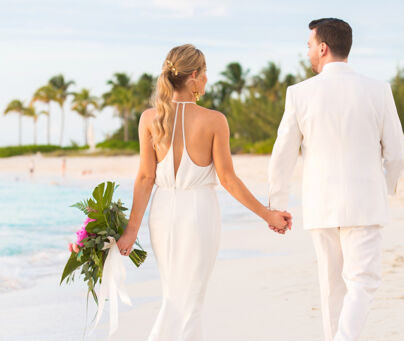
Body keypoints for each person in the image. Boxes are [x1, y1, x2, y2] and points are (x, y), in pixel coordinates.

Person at [116, 44, 292, 341]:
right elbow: (228, 179)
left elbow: (146, 177)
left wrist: (131, 230)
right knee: (191, 299)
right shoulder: (214, 120)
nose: (208, 79)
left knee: (173, 294)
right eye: (206, 73)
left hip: (161, 214)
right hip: (199, 213)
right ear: (194, 76)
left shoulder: (149, 118)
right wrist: (267, 214)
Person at [268, 18, 404, 341]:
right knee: (363, 282)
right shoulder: (378, 90)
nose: (307, 53)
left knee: (332, 288)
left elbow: (283, 155)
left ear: (323, 47)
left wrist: (276, 204)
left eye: (308, 46)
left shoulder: (299, 94)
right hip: (365, 202)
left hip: (320, 204)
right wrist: (384, 186)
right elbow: (398, 153)